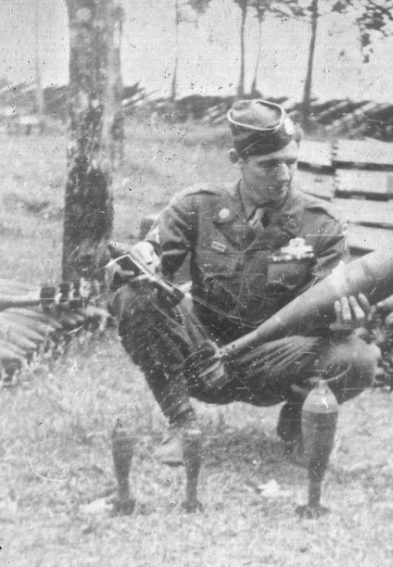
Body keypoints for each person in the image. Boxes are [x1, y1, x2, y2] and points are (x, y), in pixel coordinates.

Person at [109, 99, 378, 466]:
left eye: (291, 162)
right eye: (269, 165)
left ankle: (297, 424)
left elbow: (327, 308)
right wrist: (138, 259)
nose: (283, 175)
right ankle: (182, 426)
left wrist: (345, 319)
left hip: (273, 357)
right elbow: (149, 260)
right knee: (133, 297)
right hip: (202, 353)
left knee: (357, 357)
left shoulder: (321, 224)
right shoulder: (196, 206)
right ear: (238, 158)